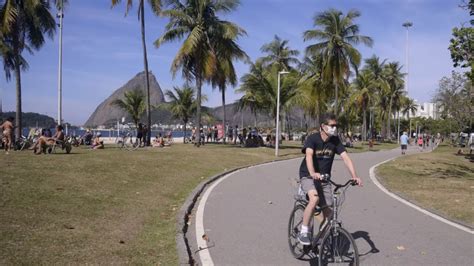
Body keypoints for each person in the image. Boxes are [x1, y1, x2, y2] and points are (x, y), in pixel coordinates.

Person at [297, 113, 362, 245]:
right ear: (323, 126)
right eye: (332, 126)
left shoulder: (335, 141)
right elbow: (309, 156)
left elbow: (346, 158)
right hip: (308, 175)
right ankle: (304, 231)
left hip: (324, 179)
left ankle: (319, 239)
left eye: (335, 126)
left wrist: (354, 176)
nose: (334, 128)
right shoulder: (313, 139)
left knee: (329, 213)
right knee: (314, 199)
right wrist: (313, 172)